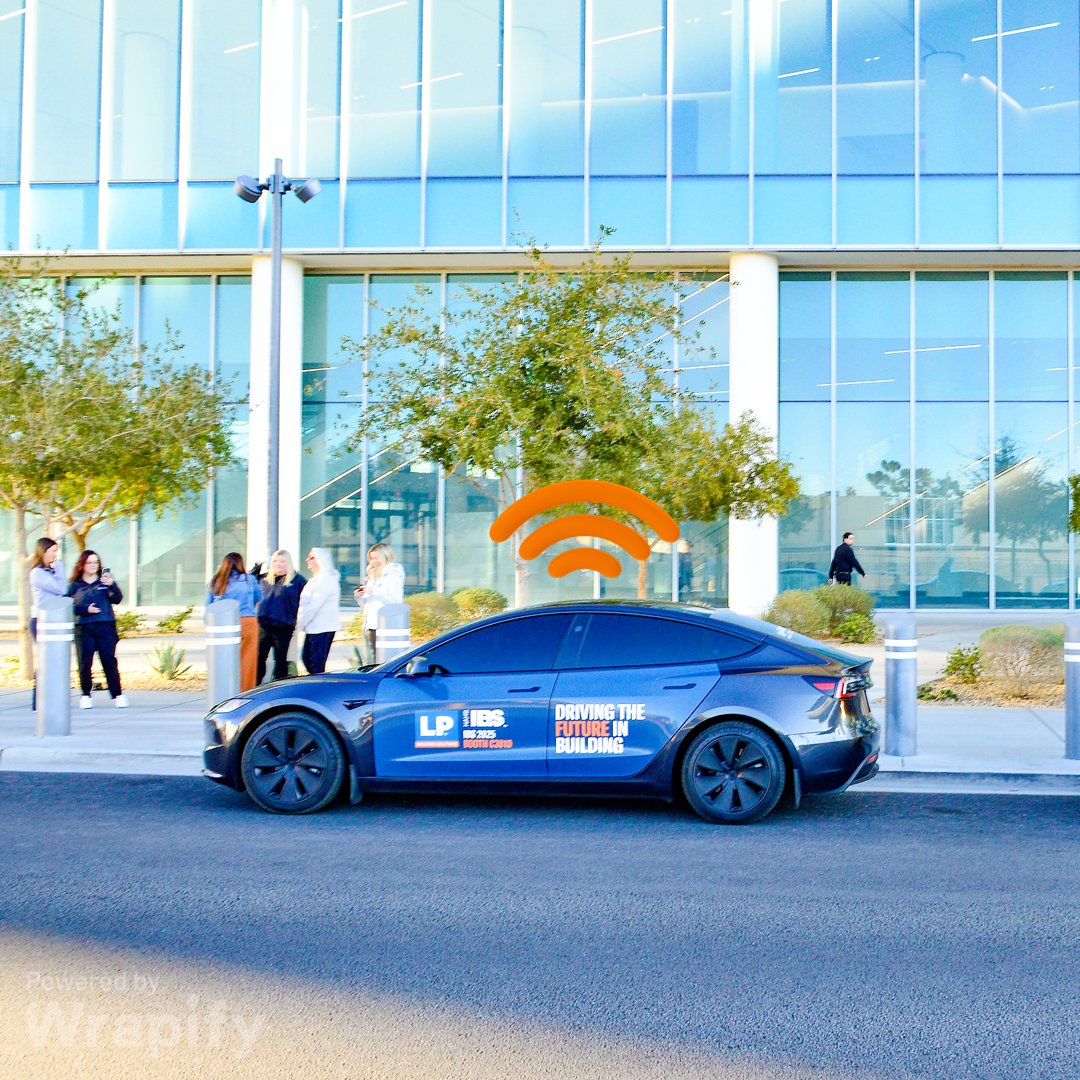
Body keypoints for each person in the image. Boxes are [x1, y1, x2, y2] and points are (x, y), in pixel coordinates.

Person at [66, 550, 126, 709]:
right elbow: (68, 606)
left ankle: (118, 695)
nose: (93, 565)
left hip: (105, 626)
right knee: (85, 663)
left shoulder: (104, 583)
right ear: (82, 565)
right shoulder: (74, 585)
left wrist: (112, 585)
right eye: (89, 562)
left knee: (109, 661)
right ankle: (86, 695)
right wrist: (86, 609)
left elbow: (118, 599)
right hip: (84, 628)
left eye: (96, 562)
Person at [205, 553, 261, 692]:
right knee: (247, 660)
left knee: (223, 658)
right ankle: (245, 692)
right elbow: (259, 596)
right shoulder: (249, 579)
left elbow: (208, 606)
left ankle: (224, 690)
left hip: (223, 623)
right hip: (247, 621)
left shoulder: (216, 581)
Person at [255, 549, 306, 684]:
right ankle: (256, 686)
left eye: (282, 561)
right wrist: (255, 570)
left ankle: (278, 687)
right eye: (275, 561)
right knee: (259, 658)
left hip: (283, 625)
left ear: (288, 563)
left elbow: (308, 599)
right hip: (263, 624)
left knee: (280, 659)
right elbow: (248, 583)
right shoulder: (264, 578)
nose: (278, 564)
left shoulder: (297, 580)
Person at [353, 542, 405, 664]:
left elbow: (394, 600)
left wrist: (373, 591)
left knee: (384, 663)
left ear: (386, 556)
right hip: (371, 625)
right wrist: (360, 597)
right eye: (371, 558)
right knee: (373, 662)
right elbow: (368, 603)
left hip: (386, 625)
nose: (373, 561)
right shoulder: (374, 576)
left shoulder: (394, 574)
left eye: (377, 557)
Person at [28, 537, 65, 710]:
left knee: (55, 661)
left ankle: (51, 699)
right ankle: (38, 702)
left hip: (54, 620)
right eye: (53, 551)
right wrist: (60, 569)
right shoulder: (37, 573)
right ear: (43, 552)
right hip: (41, 621)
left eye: (56, 551)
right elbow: (61, 589)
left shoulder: (51, 571)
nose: (56, 555)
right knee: (45, 661)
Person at [297, 548, 341, 675]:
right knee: (307, 660)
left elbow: (314, 605)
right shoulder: (316, 579)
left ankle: (320, 689)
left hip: (322, 628)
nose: (307, 560)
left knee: (316, 665)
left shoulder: (326, 579)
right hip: (313, 627)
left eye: (311, 557)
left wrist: (301, 623)